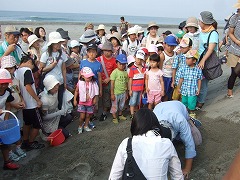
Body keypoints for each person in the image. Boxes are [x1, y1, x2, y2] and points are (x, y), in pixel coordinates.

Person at [109, 108, 183, 179]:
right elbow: (177, 175)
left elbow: (114, 176)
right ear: (156, 124)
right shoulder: (167, 144)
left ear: (135, 125)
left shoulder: (126, 143)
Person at [153, 101, 197, 178]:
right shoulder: (152, 123)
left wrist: (187, 169)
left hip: (179, 106)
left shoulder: (180, 120)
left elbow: (189, 143)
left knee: (197, 139)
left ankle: (191, 121)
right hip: (159, 107)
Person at [15, 55, 45, 150]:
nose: (33, 69)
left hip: (24, 104)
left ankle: (25, 142)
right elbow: (28, 87)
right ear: (28, 62)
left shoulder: (16, 72)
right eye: (33, 65)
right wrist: (37, 100)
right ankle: (31, 142)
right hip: (31, 103)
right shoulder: (27, 70)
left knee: (27, 123)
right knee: (37, 125)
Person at [39, 31, 67, 110]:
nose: (58, 44)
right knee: (51, 103)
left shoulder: (62, 54)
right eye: (56, 43)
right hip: (50, 84)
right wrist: (52, 66)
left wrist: (65, 82)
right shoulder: (46, 55)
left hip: (60, 82)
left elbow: (64, 69)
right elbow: (41, 70)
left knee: (59, 102)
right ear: (52, 44)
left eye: (59, 42)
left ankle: (58, 119)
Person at [197, 11, 218, 110]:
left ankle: (201, 102)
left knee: (203, 82)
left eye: (200, 20)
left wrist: (203, 61)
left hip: (206, 61)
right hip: (198, 58)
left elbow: (210, 49)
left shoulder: (213, 33)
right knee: (197, 80)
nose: (199, 22)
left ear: (204, 22)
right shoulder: (202, 31)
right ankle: (196, 99)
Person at [39, 75, 72, 139]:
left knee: (68, 117)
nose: (56, 88)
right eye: (54, 87)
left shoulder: (55, 92)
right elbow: (44, 117)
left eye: (57, 85)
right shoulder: (44, 100)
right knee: (66, 135)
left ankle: (60, 128)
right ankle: (49, 133)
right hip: (48, 123)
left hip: (56, 117)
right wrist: (59, 113)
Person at [0, 70, 20, 170]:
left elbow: (8, 105)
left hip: (2, 119)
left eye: (6, 83)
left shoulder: (7, 92)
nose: (4, 86)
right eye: (2, 83)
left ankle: (7, 162)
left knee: (4, 143)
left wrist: (6, 119)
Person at [79, 43, 102, 121]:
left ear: (96, 53)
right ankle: (84, 117)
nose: (91, 54)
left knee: (94, 103)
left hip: (94, 87)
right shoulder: (83, 62)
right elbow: (80, 74)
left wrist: (100, 89)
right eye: (90, 52)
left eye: (93, 52)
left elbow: (99, 77)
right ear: (87, 53)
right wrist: (78, 85)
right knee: (84, 101)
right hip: (84, 87)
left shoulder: (98, 64)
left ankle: (91, 117)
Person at [74, 67, 99, 134]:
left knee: (88, 115)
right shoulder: (80, 83)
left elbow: (96, 92)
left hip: (90, 102)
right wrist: (75, 99)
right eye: (88, 77)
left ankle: (86, 125)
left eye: (90, 77)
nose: (89, 78)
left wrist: (95, 99)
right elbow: (76, 91)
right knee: (82, 116)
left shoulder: (93, 83)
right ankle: (80, 126)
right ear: (83, 76)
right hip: (82, 102)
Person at [178, 50, 202, 118]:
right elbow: (181, 78)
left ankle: (192, 113)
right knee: (184, 101)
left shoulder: (198, 69)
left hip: (192, 90)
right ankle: (185, 112)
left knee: (192, 102)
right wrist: (179, 87)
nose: (186, 60)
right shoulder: (183, 68)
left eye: (188, 59)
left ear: (194, 61)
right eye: (186, 58)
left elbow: (199, 79)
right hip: (184, 89)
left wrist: (198, 89)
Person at [96, 41, 117, 121]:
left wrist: (109, 78)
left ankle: (105, 111)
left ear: (111, 51)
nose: (107, 52)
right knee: (100, 97)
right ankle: (101, 110)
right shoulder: (99, 59)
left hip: (109, 81)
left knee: (107, 97)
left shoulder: (114, 61)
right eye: (105, 50)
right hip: (100, 81)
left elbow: (115, 71)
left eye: (108, 51)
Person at [226, 4, 240, 98]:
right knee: (234, 72)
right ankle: (229, 91)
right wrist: (237, 42)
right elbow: (230, 33)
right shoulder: (234, 18)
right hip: (234, 49)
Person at [110, 54, 128, 124]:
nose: (122, 66)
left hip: (123, 92)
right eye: (120, 64)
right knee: (115, 106)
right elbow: (112, 84)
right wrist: (112, 94)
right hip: (116, 93)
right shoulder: (115, 72)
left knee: (121, 105)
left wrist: (126, 93)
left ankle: (120, 115)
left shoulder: (125, 73)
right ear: (116, 63)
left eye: (123, 64)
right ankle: (114, 117)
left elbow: (126, 82)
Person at [128, 50, 146, 119]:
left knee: (138, 101)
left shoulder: (144, 68)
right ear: (135, 57)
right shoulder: (132, 68)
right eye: (138, 59)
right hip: (134, 89)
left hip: (141, 88)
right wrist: (130, 89)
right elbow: (130, 79)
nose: (139, 61)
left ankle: (137, 112)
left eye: (141, 59)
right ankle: (132, 114)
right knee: (133, 101)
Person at [160, 35, 178, 101]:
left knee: (171, 93)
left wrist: (173, 79)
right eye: (169, 46)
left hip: (172, 76)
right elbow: (160, 68)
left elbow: (175, 67)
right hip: (165, 76)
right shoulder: (162, 55)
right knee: (164, 93)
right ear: (165, 44)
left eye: (172, 46)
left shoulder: (175, 54)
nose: (170, 48)